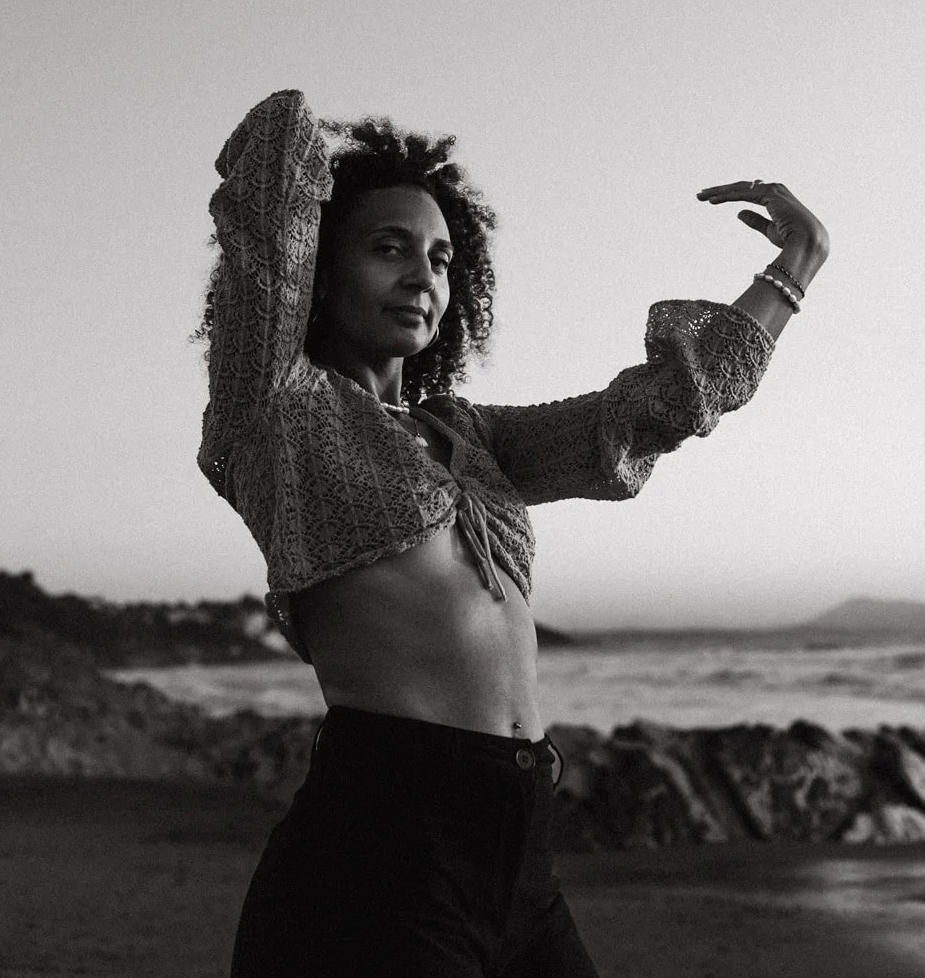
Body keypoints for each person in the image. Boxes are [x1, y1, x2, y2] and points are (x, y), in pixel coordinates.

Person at [195, 89, 829, 977]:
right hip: (378, 859)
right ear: (319, 272)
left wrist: (793, 270)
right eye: (389, 249)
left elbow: (646, 413)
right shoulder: (281, 414)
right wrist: (353, 152)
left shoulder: (469, 435)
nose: (424, 277)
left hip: (520, 853)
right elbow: (272, 185)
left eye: (442, 258)